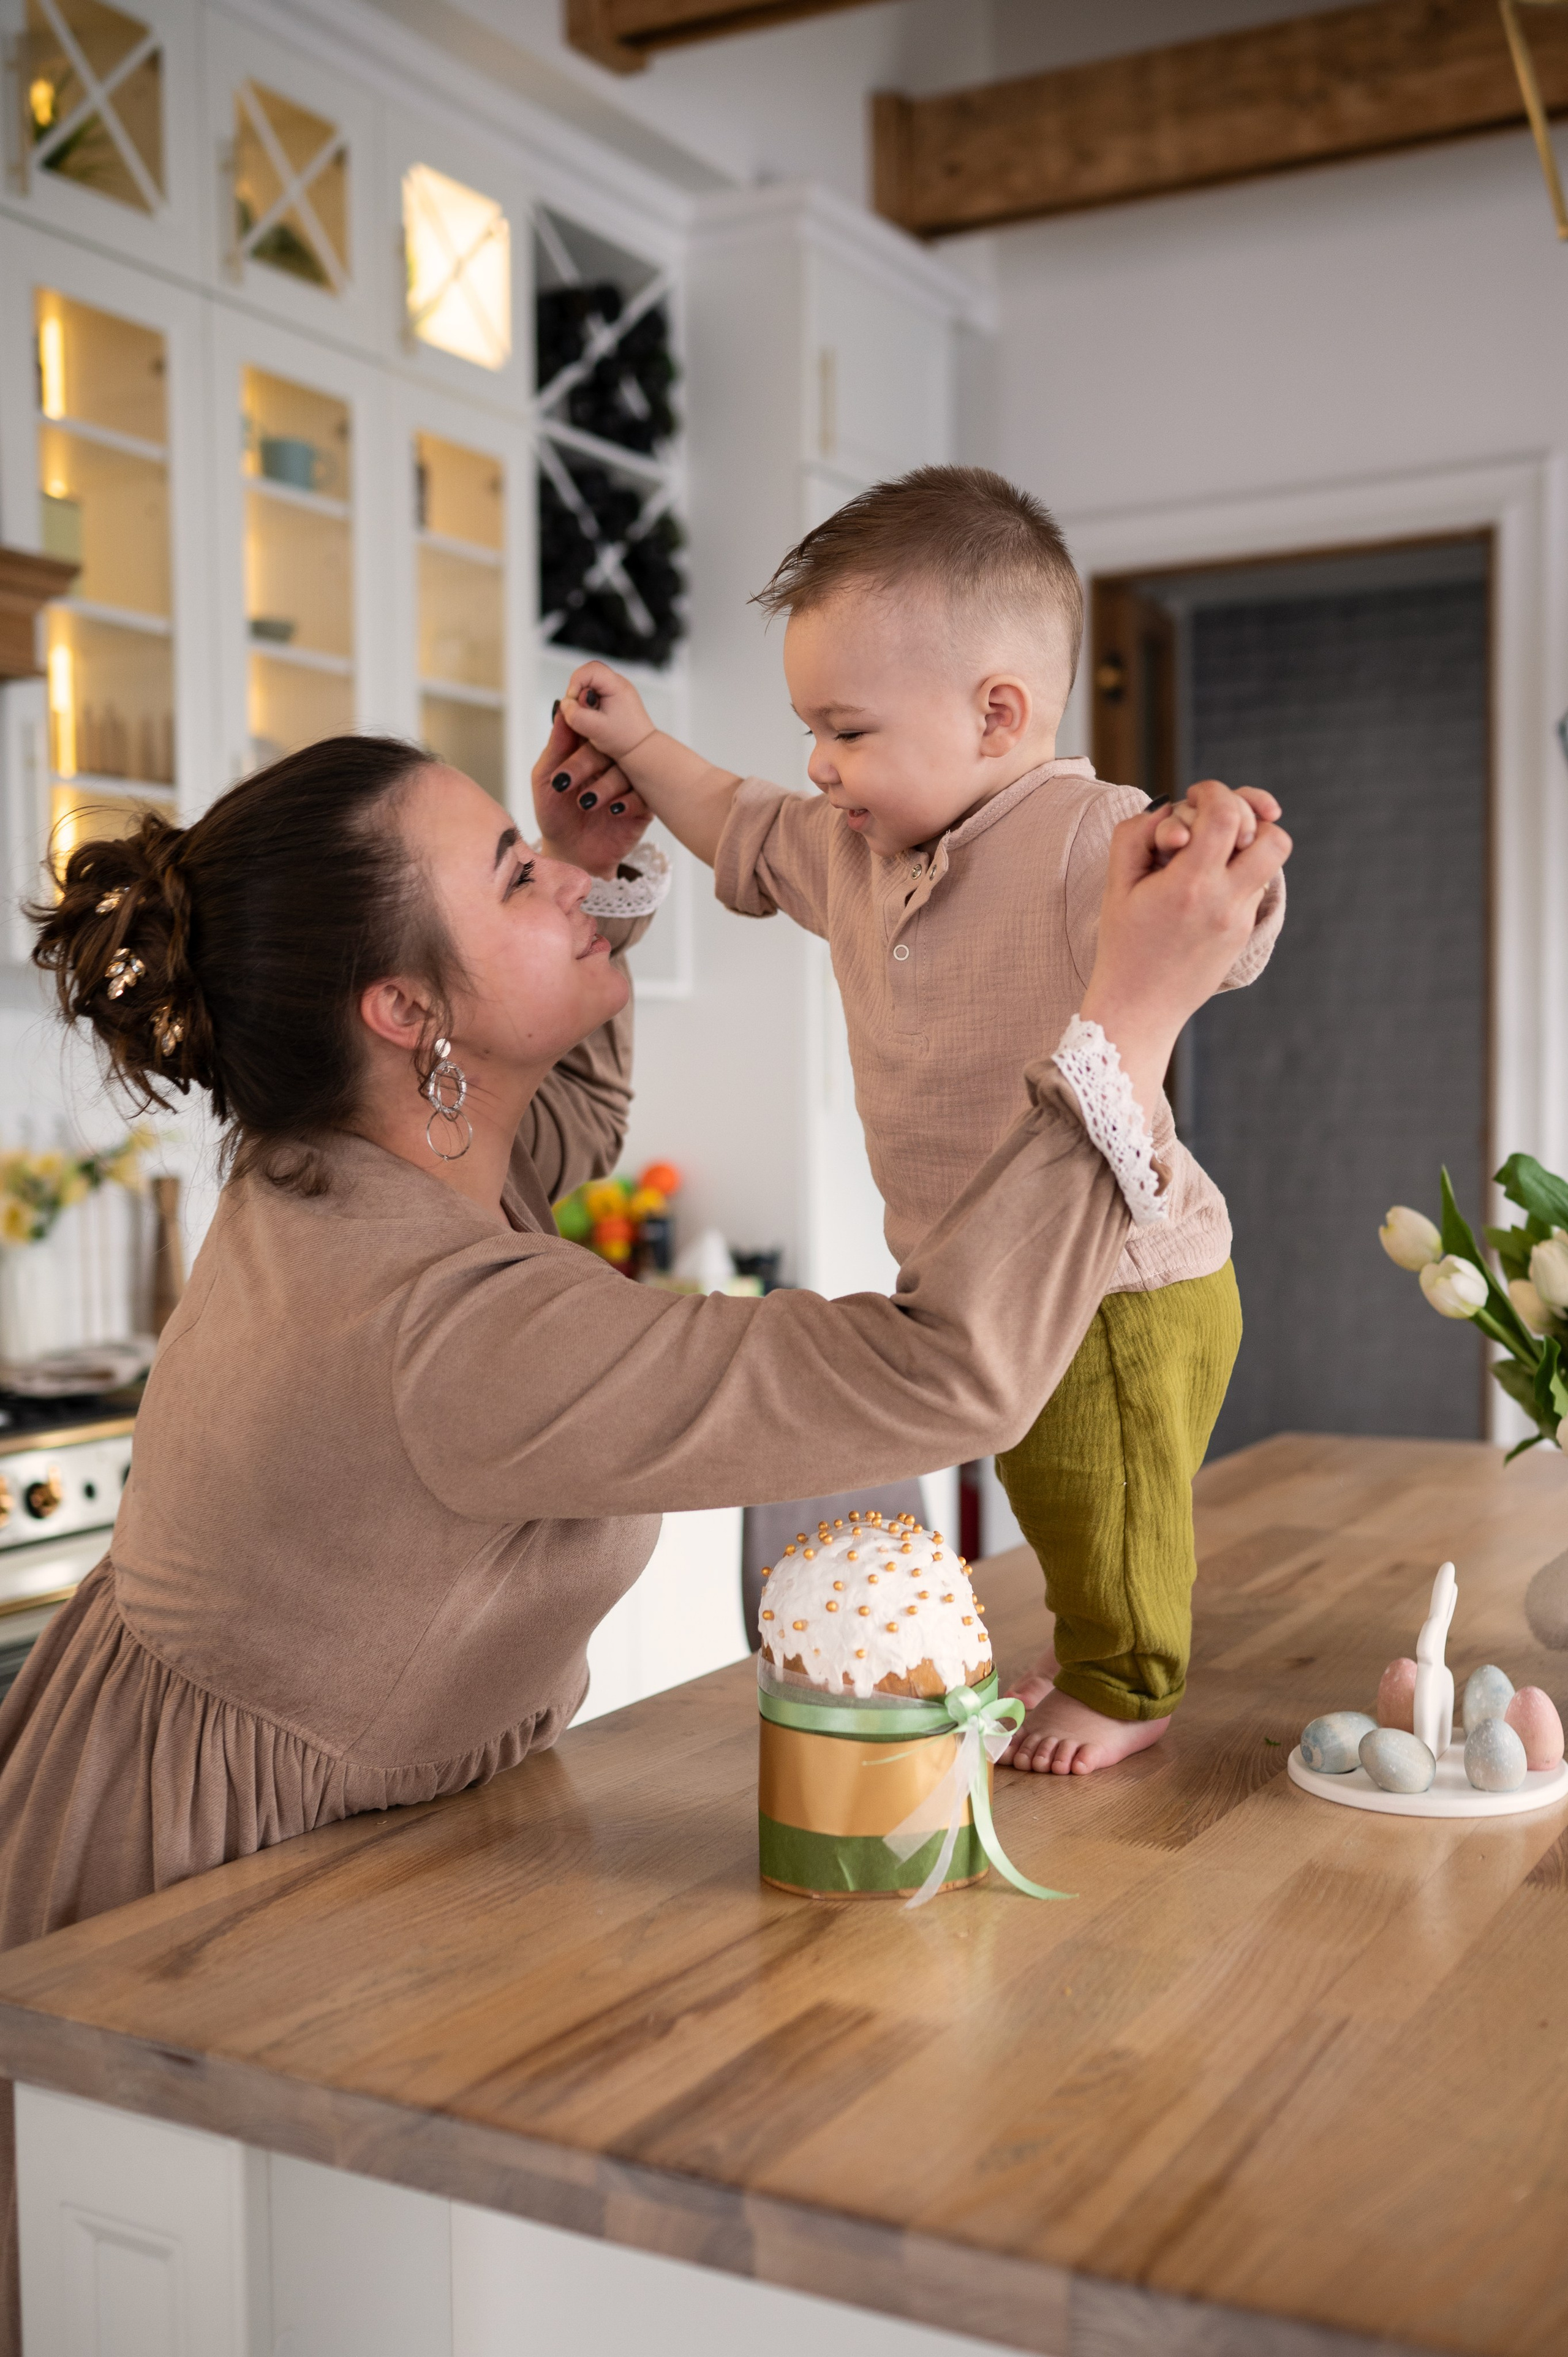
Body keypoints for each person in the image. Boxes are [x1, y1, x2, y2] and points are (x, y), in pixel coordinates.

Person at [0, 720, 1286, 2346]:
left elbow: (551, 1133)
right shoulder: (439, 1323)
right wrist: (1126, 1025)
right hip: (193, 1889)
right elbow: (947, 1374)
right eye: (511, 877)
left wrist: (589, 867)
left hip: (310, 1827)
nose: (563, 886)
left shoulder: (356, 1158)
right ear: (404, 1013)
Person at [549, 467, 1286, 1777]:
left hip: (1112, 1278)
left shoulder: (1089, 834)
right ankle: (1098, 1639)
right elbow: (733, 817)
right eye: (810, 733)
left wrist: (1220, 865)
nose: (818, 765)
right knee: (1052, 1489)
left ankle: (1128, 1686)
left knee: (1101, 1489)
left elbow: (1218, 944)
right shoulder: (851, 851)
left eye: (846, 730)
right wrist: (643, 747)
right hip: (977, 1284)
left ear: (997, 714)